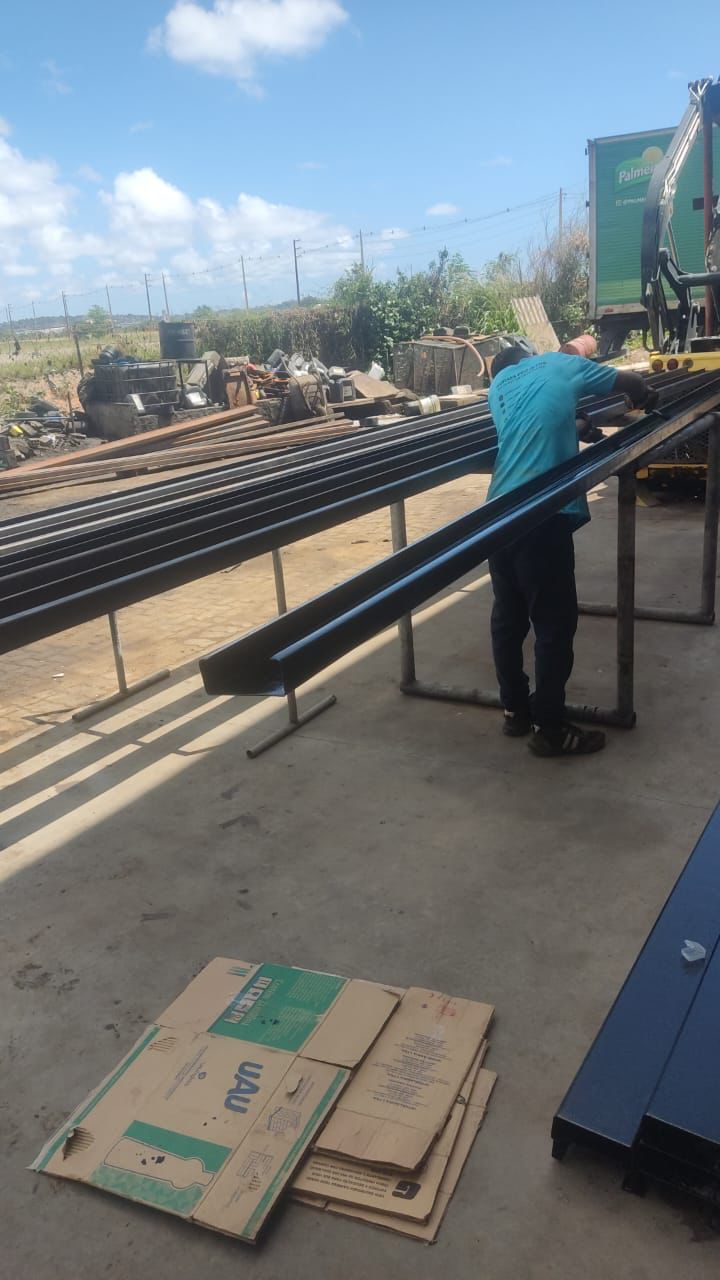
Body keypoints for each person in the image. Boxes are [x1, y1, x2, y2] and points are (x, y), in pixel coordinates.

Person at [486, 345, 655, 758]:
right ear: (528, 357)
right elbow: (628, 382)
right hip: (543, 511)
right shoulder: (558, 363)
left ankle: (515, 711)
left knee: (508, 619)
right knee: (554, 625)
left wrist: (578, 426)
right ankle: (550, 729)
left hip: (498, 514)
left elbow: (532, 427)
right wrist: (645, 396)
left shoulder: (498, 388)